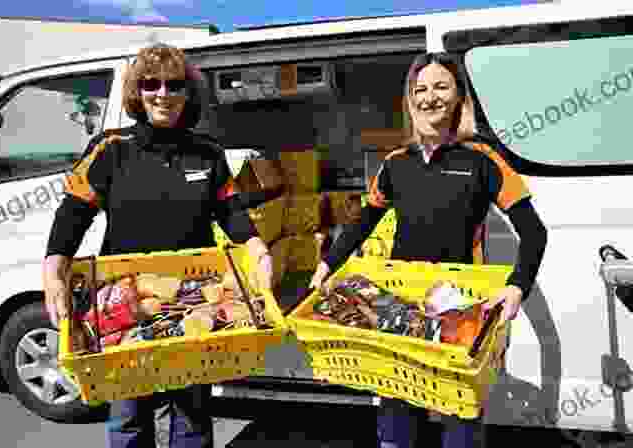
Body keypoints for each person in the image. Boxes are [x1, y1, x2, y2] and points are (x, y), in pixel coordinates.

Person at [309, 52, 548, 448]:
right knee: (397, 416)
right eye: (419, 89)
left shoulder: (483, 160)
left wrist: (517, 286)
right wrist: (328, 265)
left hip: (460, 311)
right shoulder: (396, 163)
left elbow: (534, 232)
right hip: (399, 308)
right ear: (409, 98)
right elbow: (362, 223)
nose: (429, 97)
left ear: (459, 97)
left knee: (459, 422)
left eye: (441, 86)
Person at [42, 42, 274, 448]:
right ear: (138, 91)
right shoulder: (111, 149)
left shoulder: (208, 153)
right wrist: (53, 268)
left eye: (175, 85)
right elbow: (73, 213)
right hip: (124, 306)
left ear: (189, 93)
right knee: (129, 418)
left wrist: (257, 248)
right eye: (151, 84)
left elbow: (231, 213)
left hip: (192, 301)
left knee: (191, 417)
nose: (163, 93)